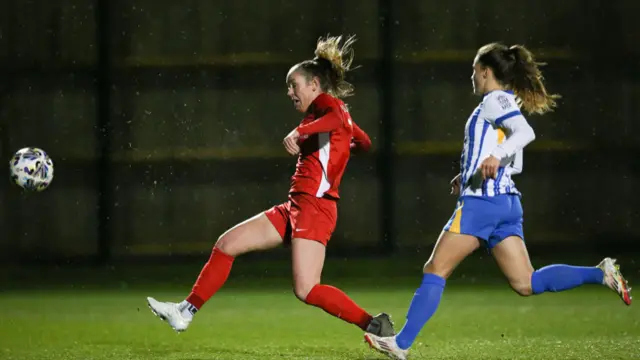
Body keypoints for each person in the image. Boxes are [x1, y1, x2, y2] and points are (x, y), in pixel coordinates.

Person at [364, 42, 632, 360]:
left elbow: (525, 133)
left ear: (486, 71)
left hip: (483, 205)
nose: (472, 77)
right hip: (505, 202)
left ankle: (401, 344)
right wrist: (470, 174)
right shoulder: (503, 104)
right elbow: (514, 163)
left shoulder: (495, 100)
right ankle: (600, 273)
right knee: (525, 282)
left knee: (435, 268)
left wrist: (494, 156)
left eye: (474, 71)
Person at [146, 34, 395, 338]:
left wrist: (302, 131)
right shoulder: (330, 113)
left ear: (314, 84)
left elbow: (335, 120)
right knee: (227, 245)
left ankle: (373, 324)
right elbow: (364, 142)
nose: (290, 91)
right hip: (296, 205)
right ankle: (184, 312)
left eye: (295, 85)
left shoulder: (328, 105)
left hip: (315, 207)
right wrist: (340, 152)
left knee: (306, 289)